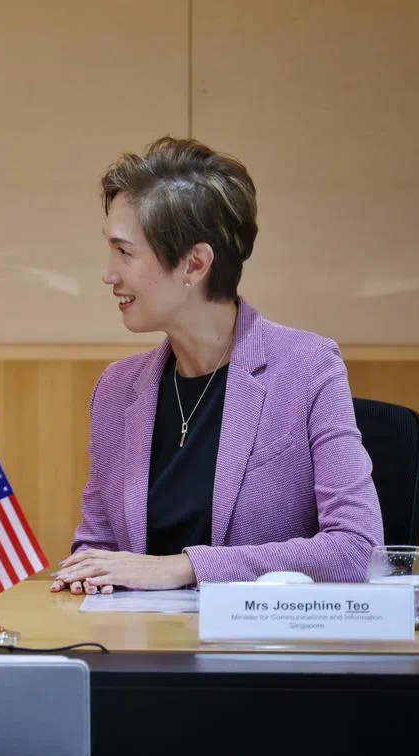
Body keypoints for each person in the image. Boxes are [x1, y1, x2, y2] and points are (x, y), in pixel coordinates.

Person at [51, 137, 383, 595]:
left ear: (195, 264)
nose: (109, 273)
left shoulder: (307, 368)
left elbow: (356, 549)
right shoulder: (116, 388)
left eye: (124, 252)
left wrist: (184, 567)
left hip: (259, 639)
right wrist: (88, 576)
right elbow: (98, 547)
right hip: (135, 636)